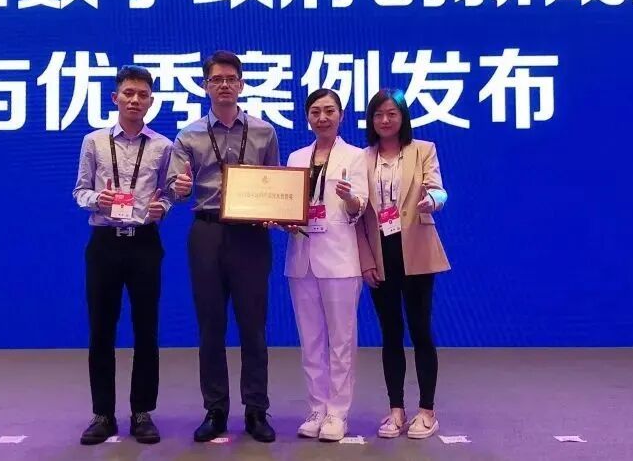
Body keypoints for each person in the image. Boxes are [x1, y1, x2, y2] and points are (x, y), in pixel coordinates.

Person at [166, 50, 281, 443]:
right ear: (206, 86)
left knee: (254, 325)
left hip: (251, 235)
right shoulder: (188, 135)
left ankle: (256, 409)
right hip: (208, 232)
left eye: (231, 78)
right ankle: (215, 409)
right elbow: (177, 190)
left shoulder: (264, 132)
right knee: (211, 326)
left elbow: (274, 183)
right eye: (217, 79)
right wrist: (179, 187)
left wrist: (275, 209)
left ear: (242, 84)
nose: (225, 85)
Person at [72, 65, 172, 445]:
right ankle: (102, 414)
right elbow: (79, 191)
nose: (134, 100)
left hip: (145, 243)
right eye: (128, 93)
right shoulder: (94, 141)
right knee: (101, 329)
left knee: (146, 329)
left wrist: (166, 205)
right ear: (115, 98)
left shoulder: (163, 146)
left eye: (142, 95)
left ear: (151, 101)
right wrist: (98, 199)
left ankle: (142, 412)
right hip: (104, 243)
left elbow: (168, 193)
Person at [356, 88, 451, 440]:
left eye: (391, 114)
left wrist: (432, 201)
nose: (385, 120)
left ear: (403, 117)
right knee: (390, 333)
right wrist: (366, 260)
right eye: (378, 114)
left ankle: (427, 411)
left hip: (416, 249)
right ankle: (396, 410)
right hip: (380, 251)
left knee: (421, 330)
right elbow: (358, 215)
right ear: (371, 120)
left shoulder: (423, 149)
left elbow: (438, 189)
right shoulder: (362, 157)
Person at [280, 88, 368, 442]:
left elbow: (360, 208)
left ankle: (337, 412)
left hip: (340, 259)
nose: (322, 117)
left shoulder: (357, 156)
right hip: (301, 257)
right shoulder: (296, 157)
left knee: (342, 341)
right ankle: (316, 408)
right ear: (307, 117)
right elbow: (288, 205)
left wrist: (350, 198)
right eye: (315, 112)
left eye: (329, 111)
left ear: (341, 115)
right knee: (311, 340)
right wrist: (284, 221)